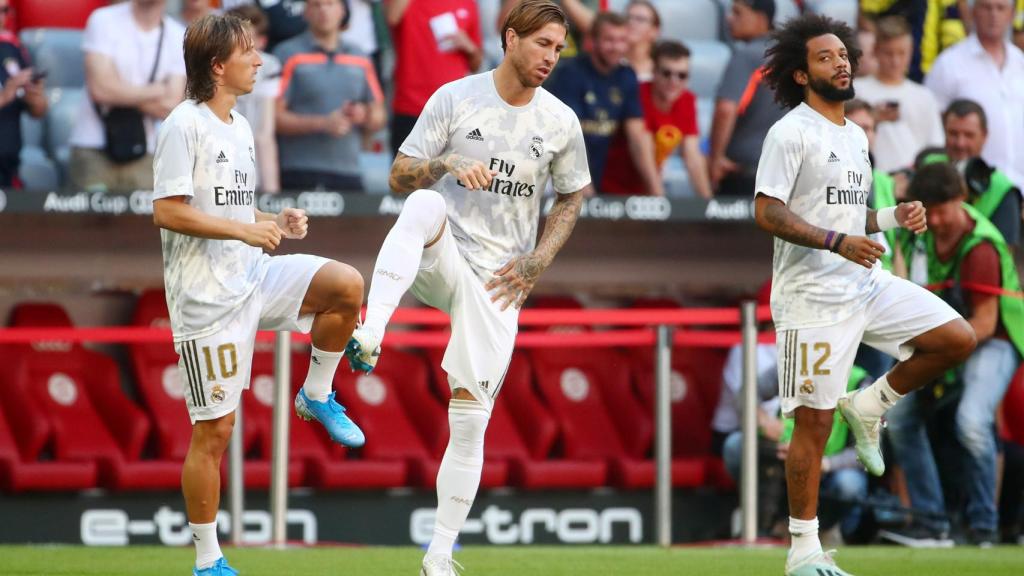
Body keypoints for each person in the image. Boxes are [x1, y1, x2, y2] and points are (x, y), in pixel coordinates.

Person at [344, 2, 589, 573]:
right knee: (424, 201)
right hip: (445, 255)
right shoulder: (455, 96)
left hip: (500, 283)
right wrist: (446, 163)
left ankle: (439, 554)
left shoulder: (560, 121)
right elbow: (399, 174)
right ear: (509, 38)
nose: (551, 57)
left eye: (558, 48)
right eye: (542, 44)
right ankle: (372, 327)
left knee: (471, 415)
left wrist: (538, 260)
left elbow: (574, 193)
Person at [755, 13, 976, 575]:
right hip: (812, 298)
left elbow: (851, 216)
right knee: (812, 423)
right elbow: (767, 212)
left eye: (844, 54)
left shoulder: (855, 135)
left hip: (864, 280)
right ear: (802, 75)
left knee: (956, 338)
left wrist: (891, 217)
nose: (842, 61)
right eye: (826, 57)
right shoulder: (790, 132)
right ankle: (803, 554)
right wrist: (838, 241)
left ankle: (870, 403)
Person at [152, 14, 366, 575]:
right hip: (206, 300)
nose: (260, 60)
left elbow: (232, 211)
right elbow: (168, 210)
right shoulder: (183, 125)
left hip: (252, 273)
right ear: (218, 65)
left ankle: (316, 394)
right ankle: (208, 560)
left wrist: (273, 220)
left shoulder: (241, 125)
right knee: (215, 432)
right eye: (249, 52)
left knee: (345, 285)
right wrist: (247, 229)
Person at [886, 163, 1024, 548]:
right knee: (898, 415)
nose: (934, 220)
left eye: (942, 210)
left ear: (960, 200)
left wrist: (931, 350)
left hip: (996, 339)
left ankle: (984, 527)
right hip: (943, 339)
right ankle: (932, 522)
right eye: (926, 210)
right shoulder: (919, 236)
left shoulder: (980, 246)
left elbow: (983, 324)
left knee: (971, 421)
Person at [69, 0, 187, 193]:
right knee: (90, 222)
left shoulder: (177, 35)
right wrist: (158, 89)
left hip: (146, 151)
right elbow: (100, 90)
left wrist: (117, 90)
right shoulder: (104, 20)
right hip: (93, 147)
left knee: (143, 223)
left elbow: (172, 106)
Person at [273, 0, 386, 191]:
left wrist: (364, 114)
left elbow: (379, 115)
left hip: (349, 170)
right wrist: (323, 123)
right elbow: (272, 118)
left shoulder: (361, 57)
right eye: (316, 5)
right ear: (306, 11)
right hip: (298, 169)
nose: (323, 10)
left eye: (330, 4)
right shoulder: (287, 54)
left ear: (343, 10)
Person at [548, 11, 662, 195]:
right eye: (609, 40)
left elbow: (638, 136)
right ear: (592, 41)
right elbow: (566, 136)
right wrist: (584, 190)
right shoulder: (570, 74)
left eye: (621, 40)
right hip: (552, 170)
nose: (616, 47)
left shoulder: (627, 76)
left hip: (596, 173)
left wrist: (657, 193)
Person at [925, 0, 1024, 188]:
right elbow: (934, 129)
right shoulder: (949, 64)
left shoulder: (1020, 63)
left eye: (1000, 8)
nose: (993, 15)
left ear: (1011, 15)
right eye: (987, 7)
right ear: (972, 12)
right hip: (973, 189)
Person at [601, 40, 712, 198]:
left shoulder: (688, 100)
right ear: (654, 71)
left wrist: (709, 205)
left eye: (682, 75)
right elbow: (641, 144)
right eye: (667, 73)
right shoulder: (638, 93)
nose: (674, 81)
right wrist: (659, 197)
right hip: (612, 189)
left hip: (646, 193)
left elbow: (692, 155)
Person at [917, 100, 1022, 249]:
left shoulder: (1002, 189)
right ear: (944, 131)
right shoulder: (928, 166)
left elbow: (1005, 254)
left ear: (984, 136)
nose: (960, 143)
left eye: (969, 135)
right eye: (953, 133)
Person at [387, 0, 482, 159]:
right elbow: (392, 17)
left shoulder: (468, 3)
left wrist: (469, 46)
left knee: (447, 180)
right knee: (405, 179)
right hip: (410, 105)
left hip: (451, 111)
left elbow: (476, 63)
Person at [710, 0, 786, 197]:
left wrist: (715, 158)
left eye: (737, 13)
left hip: (744, 175)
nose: (729, 18)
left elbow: (726, 109)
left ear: (760, 19)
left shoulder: (747, 55)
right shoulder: (795, 59)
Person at [855, 16, 944, 174]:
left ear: (911, 52)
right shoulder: (856, 90)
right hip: (870, 181)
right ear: (875, 50)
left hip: (913, 182)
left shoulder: (924, 96)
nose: (895, 61)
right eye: (888, 53)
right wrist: (872, 118)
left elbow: (935, 147)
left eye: (901, 53)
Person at [227, 4, 281, 193]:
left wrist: (272, 193)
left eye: (248, 41)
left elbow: (265, 134)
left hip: (252, 175)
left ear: (262, 41)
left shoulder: (269, 66)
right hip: (213, 174)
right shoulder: (210, 65)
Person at [0, 0, 47, 189]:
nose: (1, 17)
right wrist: (5, 96)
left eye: (4, 10)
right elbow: (8, 93)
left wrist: (35, 99)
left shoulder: (12, 47)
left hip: (8, 167)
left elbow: (39, 111)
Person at [624, 0, 661, 82]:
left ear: (655, 30)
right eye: (627, 17)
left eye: (640, 19)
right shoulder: (610, 63)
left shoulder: (664, 71)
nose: (631, 22)